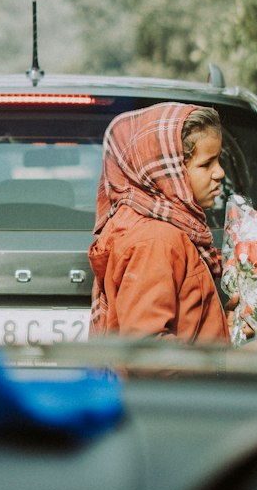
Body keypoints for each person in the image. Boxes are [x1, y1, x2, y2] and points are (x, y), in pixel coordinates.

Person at [89, 102, 231, 343]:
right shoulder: (155, 241)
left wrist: (224, 327)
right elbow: (148, 353)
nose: (220, 173)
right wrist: (238, 359)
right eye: (206, 164)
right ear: (167, 174)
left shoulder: (173, 230)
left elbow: (183, 325)